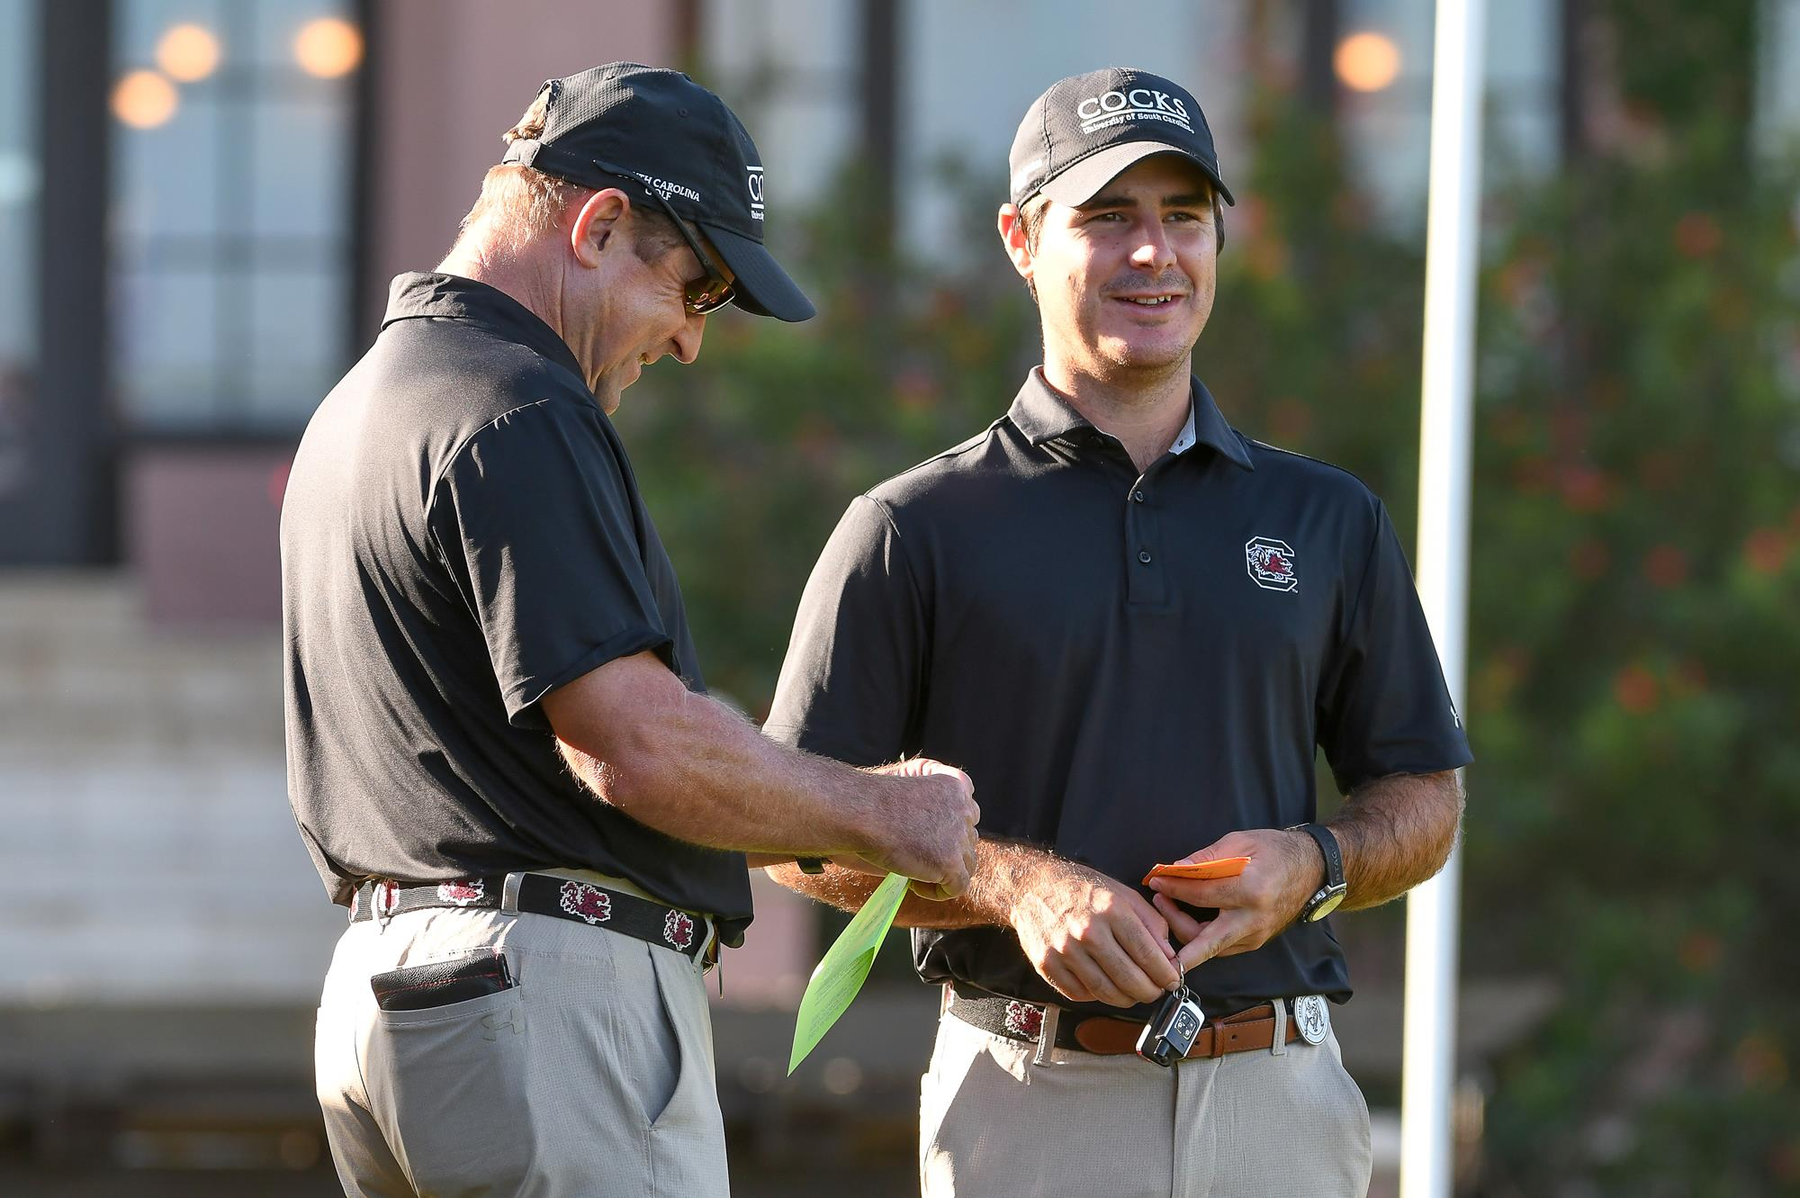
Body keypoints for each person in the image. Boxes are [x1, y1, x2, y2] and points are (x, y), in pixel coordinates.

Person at [763, 66, 1471, 1198]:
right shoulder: (910, 527)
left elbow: (1425, 801)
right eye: (1106, 217)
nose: (1154, 253)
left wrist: (1313, 866)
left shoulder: (1327, 518)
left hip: (1280, 1099)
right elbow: (787, 824)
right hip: (1029, 1099)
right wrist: (1012, 887)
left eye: (1183, 216)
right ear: (1020, 238)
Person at [281, 63, 979, 1198]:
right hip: (541, 1003)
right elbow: (634, 748)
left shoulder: (365, 403)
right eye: (695, 288)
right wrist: (883, 811)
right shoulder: (521, 405)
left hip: (394, 993)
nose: (693, 340)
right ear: (600, 225)